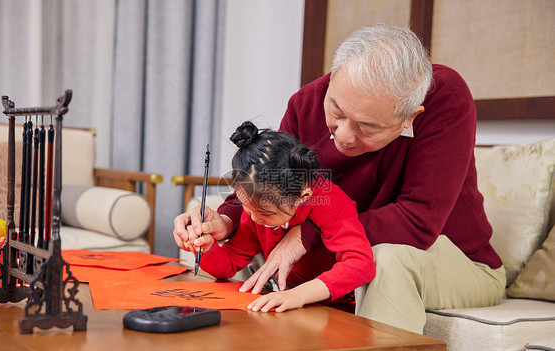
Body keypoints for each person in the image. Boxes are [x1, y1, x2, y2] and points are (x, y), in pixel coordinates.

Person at [174, 24, 506, 333]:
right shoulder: (306, 101)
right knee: (260, 241)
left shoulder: (443, 96)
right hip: (335, 247)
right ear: (333, 80)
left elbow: (417, 223)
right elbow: (271, 176)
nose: (344, 137)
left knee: (388, 259)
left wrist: (307, 234)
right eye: (336, 112)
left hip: (457, 262)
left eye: (368, 127)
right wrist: (226, 219)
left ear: (409, 118)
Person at [178, 121, 375, 312]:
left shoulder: (331, 201)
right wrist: (206, 248)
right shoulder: (256, 210)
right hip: (288, 300)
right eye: (247, 207)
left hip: (337, 306)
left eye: (265, 213)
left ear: (302, 197)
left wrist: (298, 295)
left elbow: (360, 264)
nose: (254, 219)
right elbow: (230, 262)